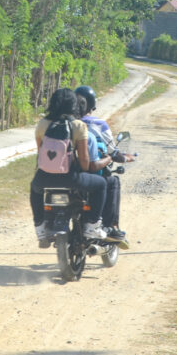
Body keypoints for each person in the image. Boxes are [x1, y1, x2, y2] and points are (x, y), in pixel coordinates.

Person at [31, 88, 110, 247]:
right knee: (101, 184)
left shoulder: (42, 124)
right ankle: (92, 225)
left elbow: (41, 156)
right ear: (73, 105)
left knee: (35, 188)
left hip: (44, 177)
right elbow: (85, 164)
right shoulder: (78, 126)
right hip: (71, 178)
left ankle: (40, 227)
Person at [75, 86, 134, 242]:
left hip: (70, 174)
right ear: (92, 105)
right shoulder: (98, 124)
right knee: (113, 181)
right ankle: (111, 226)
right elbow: (113, 152)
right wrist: (126, 158)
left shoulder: (68, 123)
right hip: (92, 173)